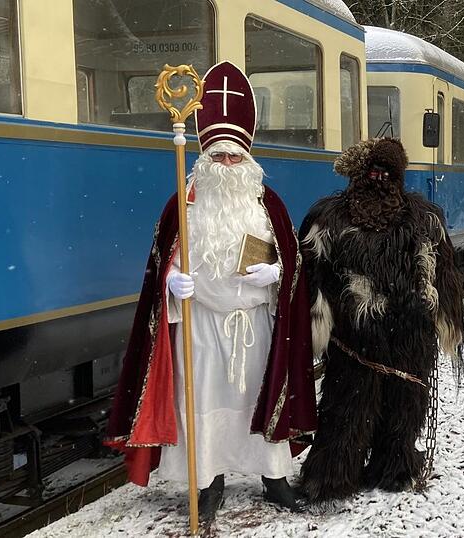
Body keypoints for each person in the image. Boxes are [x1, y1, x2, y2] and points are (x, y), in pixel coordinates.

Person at [104, 61, 316, 523]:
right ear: (203, 158)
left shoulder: (268, 205)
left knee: (257, 403)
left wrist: (276, 276)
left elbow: (296, 270)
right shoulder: (182, 205)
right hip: (198, 326)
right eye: (218, 156)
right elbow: (160, 267)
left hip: (253, 326)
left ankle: (274, 478)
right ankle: (210, 481)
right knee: (203, 407)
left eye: (234, 157)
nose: (226, 165)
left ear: (249, 160)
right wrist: (170, 285)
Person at [297, 138, 464, 503]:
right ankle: (332, 477)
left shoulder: (424, 221)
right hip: (352, 344)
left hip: (409, 341)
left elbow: (445, 276)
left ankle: (395, 468)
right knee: (346, 414)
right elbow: (313, 276)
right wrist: (315, 323)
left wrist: (448, 323)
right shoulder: (328, 219)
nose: (378, 180)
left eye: (387, 175)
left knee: (403, 415)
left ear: (398, 179)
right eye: (372, 173)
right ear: (359, 175)